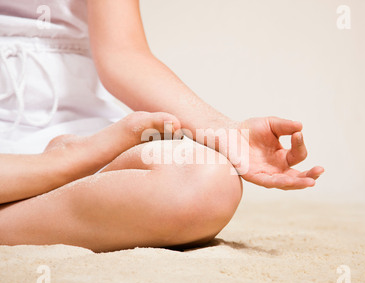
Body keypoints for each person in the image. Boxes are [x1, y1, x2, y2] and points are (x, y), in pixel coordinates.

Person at [0, 0, 324, 252]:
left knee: (204, 181)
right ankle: (60, 163)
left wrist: (226, 132)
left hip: (74, 121)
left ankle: (38, 183)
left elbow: (123, 54)